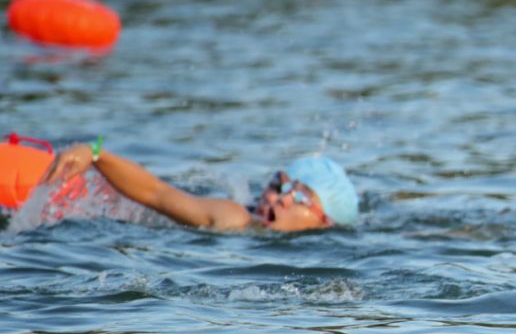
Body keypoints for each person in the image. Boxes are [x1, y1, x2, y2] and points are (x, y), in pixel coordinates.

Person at [43, 138, 359, 231]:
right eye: (280, 184)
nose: (279, 198)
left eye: (299, 196)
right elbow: (158, 193)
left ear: (324, 220)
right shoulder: (236, 216)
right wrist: (96, 154)